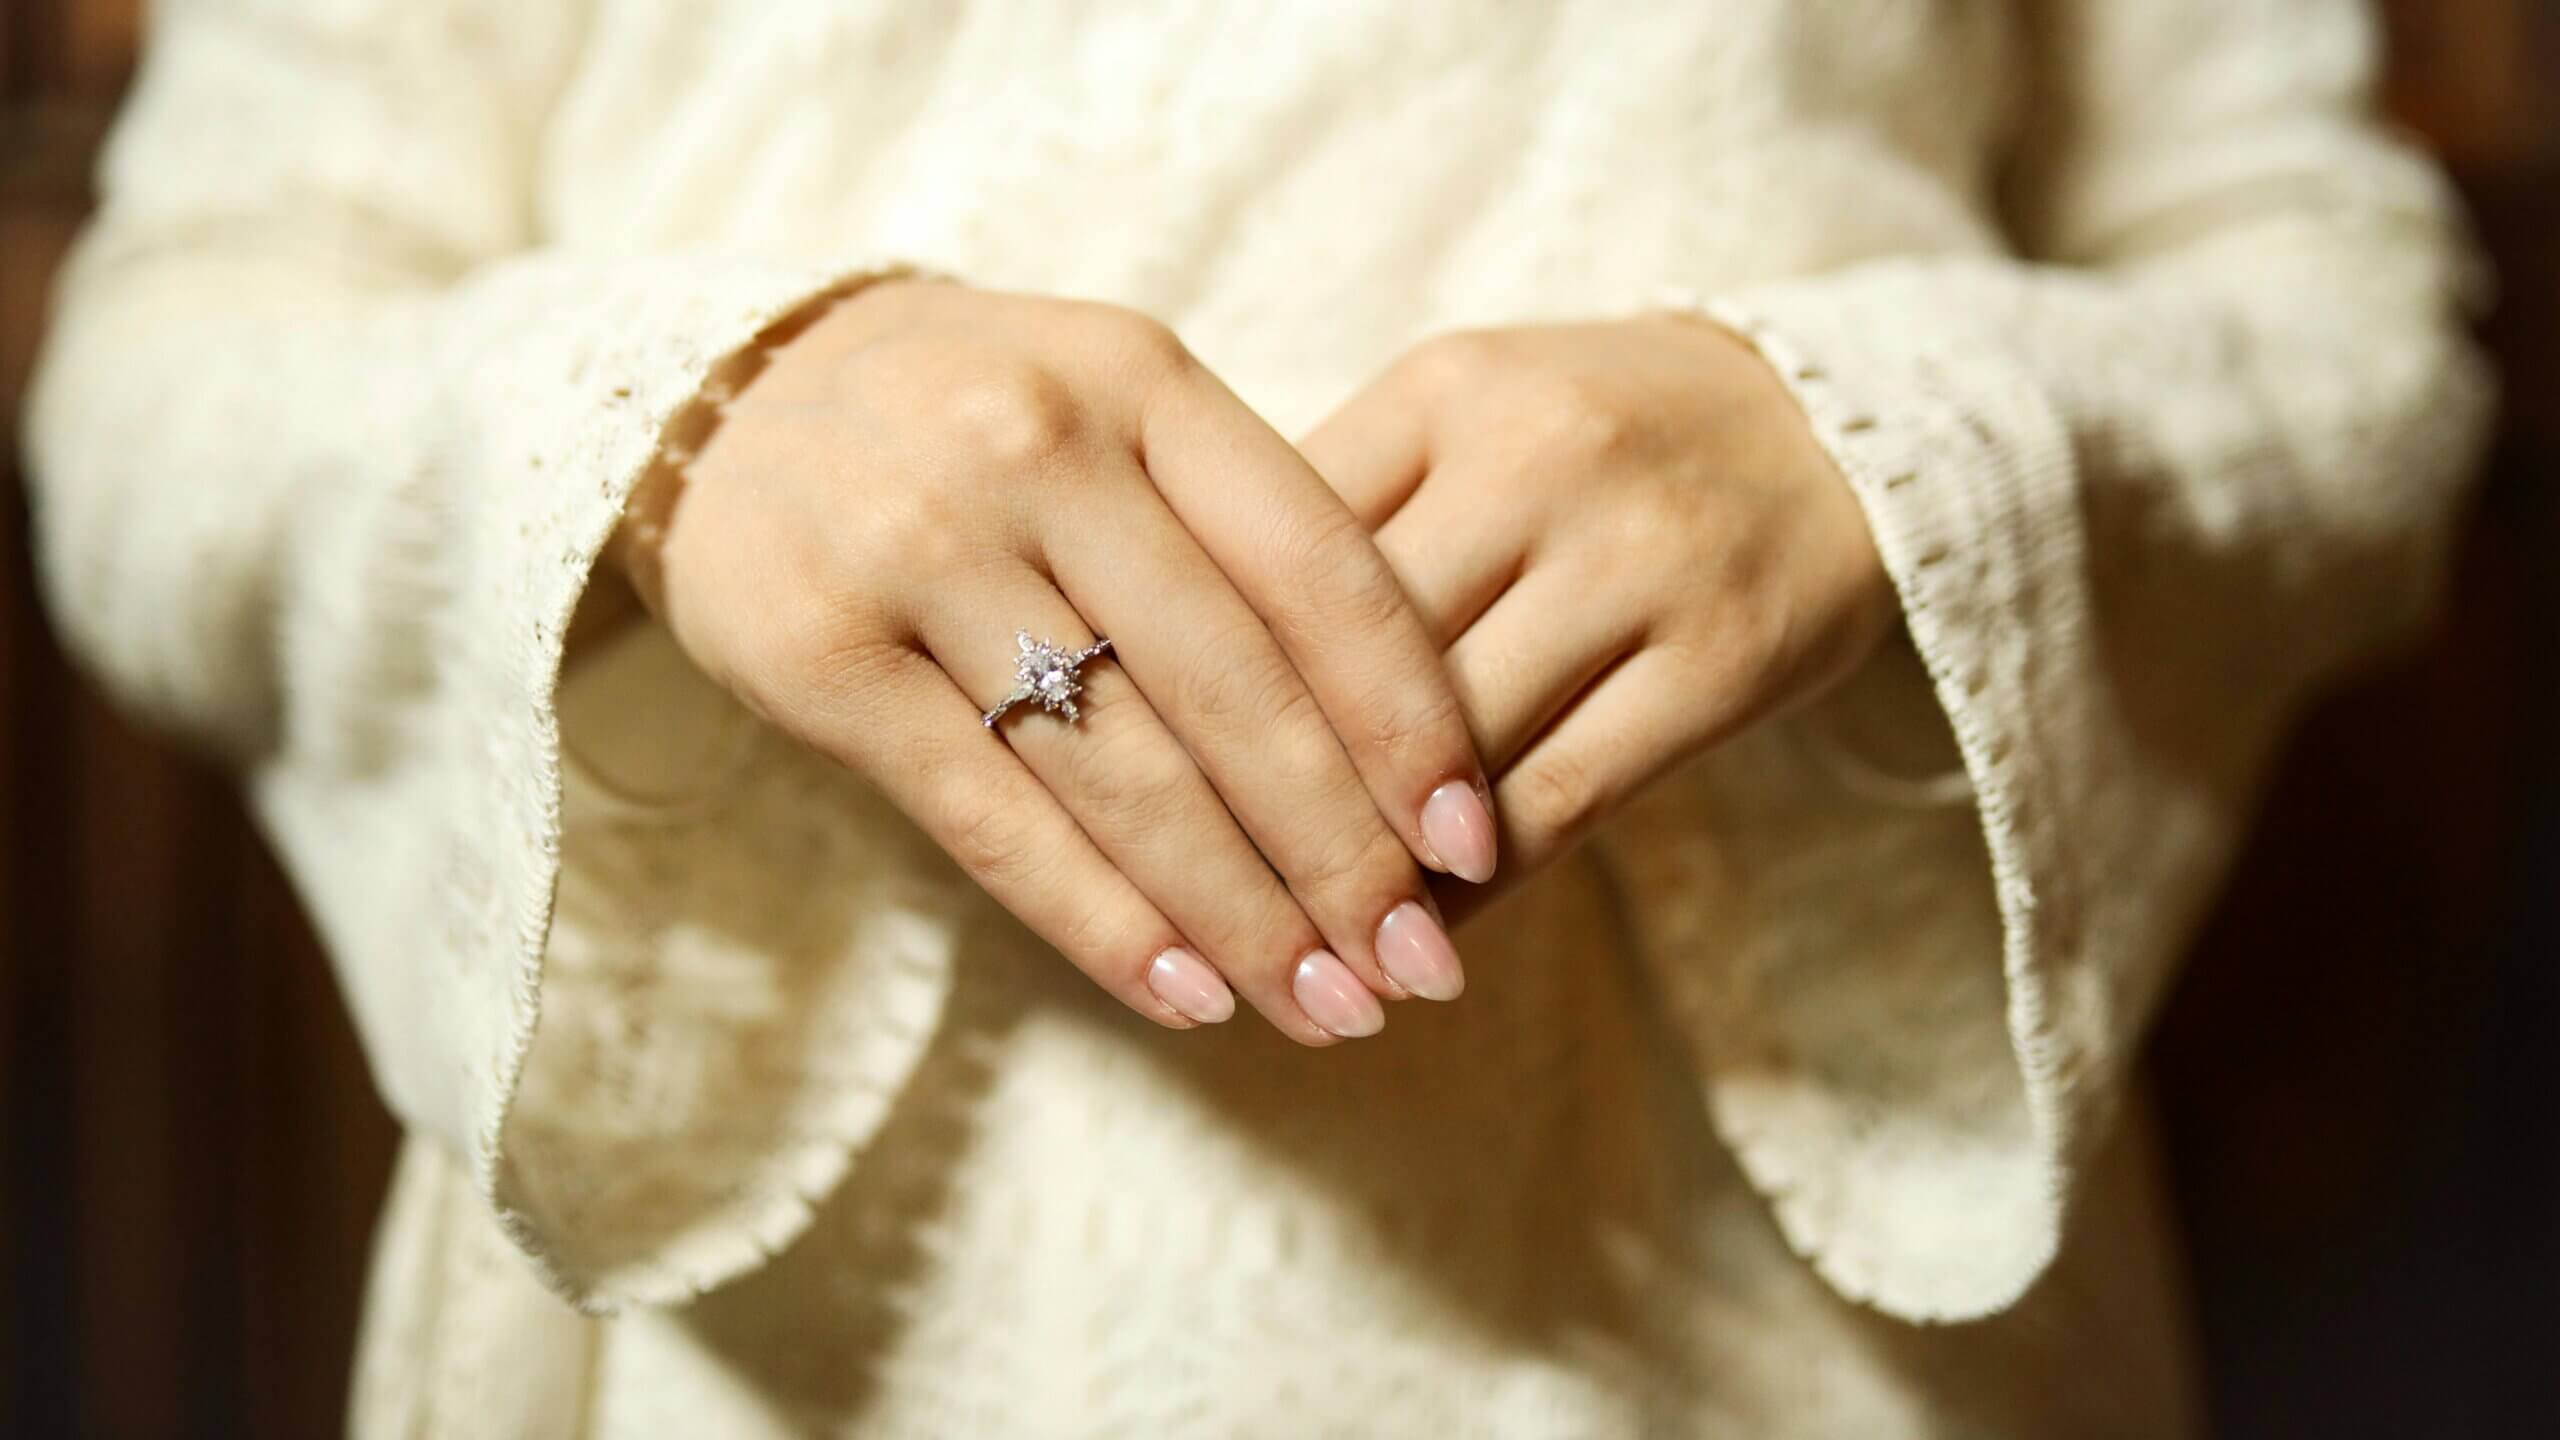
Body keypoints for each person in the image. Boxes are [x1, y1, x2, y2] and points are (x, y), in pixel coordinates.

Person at [23, 1, 2490, 1434]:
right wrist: (672, 428)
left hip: (1765, 1328)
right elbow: (159, 392)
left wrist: (1870, 442)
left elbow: (2335, 319)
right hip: (775, 1354)